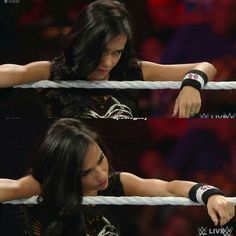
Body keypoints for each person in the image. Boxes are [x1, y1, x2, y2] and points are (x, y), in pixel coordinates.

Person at [0, 118, 234, 236]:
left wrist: (210, 194)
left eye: (101, 159)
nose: (101, 174)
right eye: (85, 172)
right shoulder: (43, 185)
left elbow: (170, 188)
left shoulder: (117, 182)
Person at [0, 0, 217, 118]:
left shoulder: (131, 70)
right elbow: (11, 72)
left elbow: (206, 66)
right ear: (83, 43)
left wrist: (191, 84)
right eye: (101, 51)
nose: (107, 63)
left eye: (116, 52)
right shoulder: (52, 71)